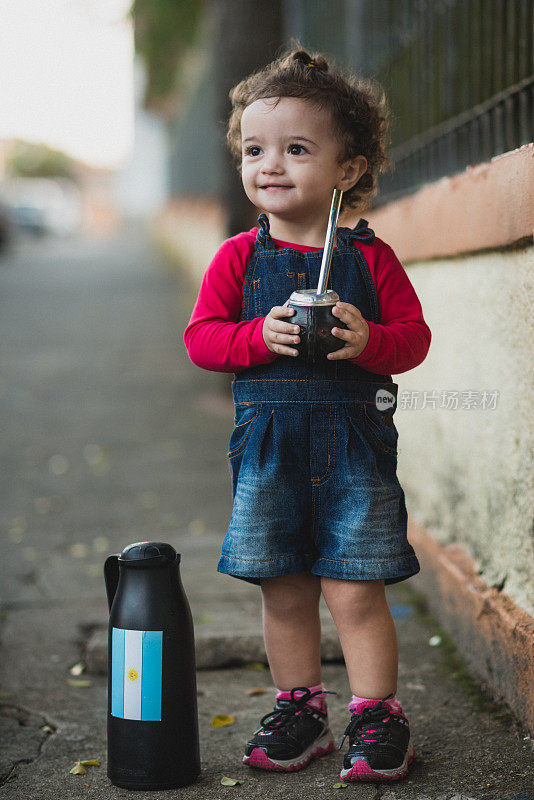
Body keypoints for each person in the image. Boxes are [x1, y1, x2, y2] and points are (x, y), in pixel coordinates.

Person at [184, 46, 431, 783]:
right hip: (269, 450)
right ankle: (300, 708)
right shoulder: (237, 256)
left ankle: (378, 716)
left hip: (354, 451)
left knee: (355, 589)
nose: (272, 165)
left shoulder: (370, 258)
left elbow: (413, 340)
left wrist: (367, 340)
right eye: (255, 150)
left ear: (347, 170)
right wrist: (256, 337)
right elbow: (202, 339)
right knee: (284, 587)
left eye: (297, 150)